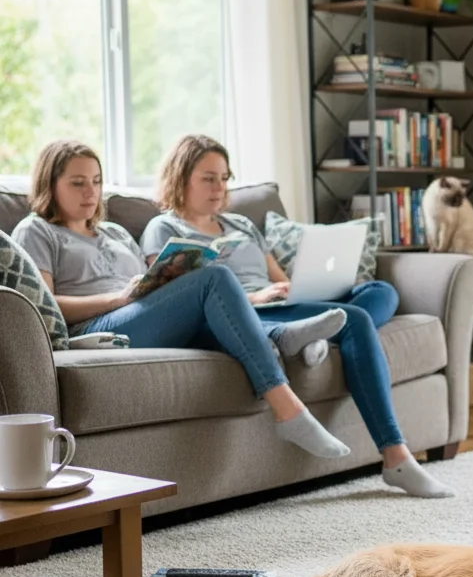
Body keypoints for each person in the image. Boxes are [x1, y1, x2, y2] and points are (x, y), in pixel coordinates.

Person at [141, 134, 454, 500]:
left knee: (381, 291)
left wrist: (301, 288)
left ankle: (318, 335)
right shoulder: (165, 229)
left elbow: (278, 277)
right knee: (354, 320)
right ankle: (396, 455)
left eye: (224, 178)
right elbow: (175, 297)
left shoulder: (241, 224)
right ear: (181, 178)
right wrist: (255, 297)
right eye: (208, 178)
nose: (219, 187)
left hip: (280, 303)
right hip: (246, 314)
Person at [12, 139, 349, 461]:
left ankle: (278, 335)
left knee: (211, 301)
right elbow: (44, 306)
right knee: (215, 278)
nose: (91, 192)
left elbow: (146, 283)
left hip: (137, 311)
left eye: (97, 181)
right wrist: (116, 299)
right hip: (97, 327)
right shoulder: (37, 230)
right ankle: (289, 408)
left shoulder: (115, 232)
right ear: (50, 185)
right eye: (77, 183)